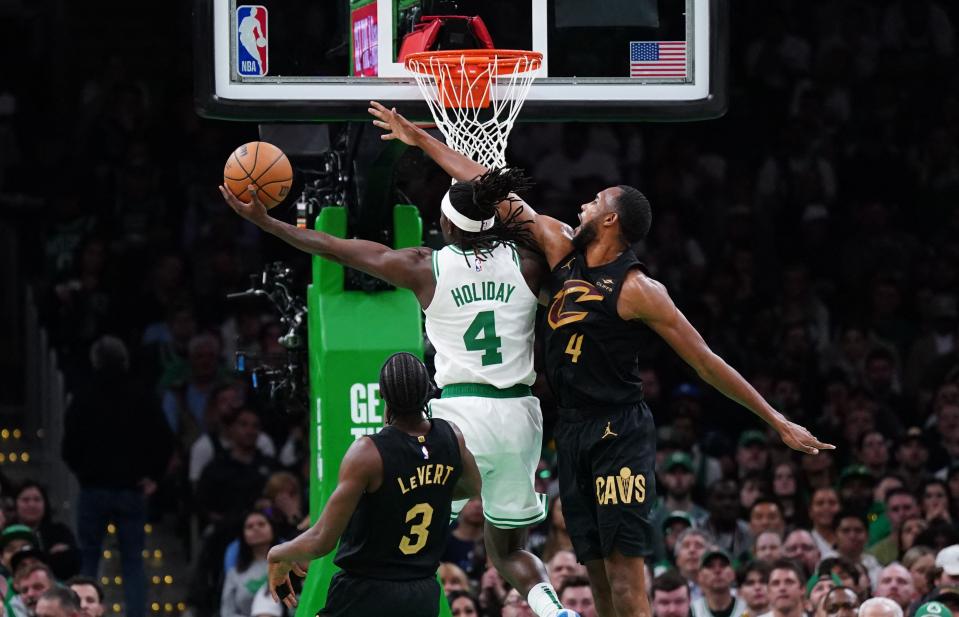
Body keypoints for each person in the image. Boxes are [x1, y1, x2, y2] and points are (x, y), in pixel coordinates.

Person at [370, 100, 832, 617]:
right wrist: (423, 142)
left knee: (625, 576)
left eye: (594, 201)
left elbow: (704, 360)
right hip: (572, 429)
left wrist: (775, 419)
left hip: (619, 428)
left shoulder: (639, 289)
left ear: (611, 219)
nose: (582, 205)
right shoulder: (559, 248)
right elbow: (487, 185)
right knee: (594, 573)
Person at [221, 134, 577, 617]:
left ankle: (343, 569)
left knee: (408, 517)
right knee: (509, 550)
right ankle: (556, 611)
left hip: (458, 418)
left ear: (447, 225)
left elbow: (335, 247)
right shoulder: (529, 264)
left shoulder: (423, 266)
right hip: (520, 415)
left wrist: (267, 222)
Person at [264, 353, 482, 617]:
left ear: (382, 395)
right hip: (422, 595)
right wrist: (427, 491)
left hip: (366, 594)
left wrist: (278, 553)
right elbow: (472, 487)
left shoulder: (368, 452)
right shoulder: (452, 436)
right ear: (428, 390)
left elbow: (322, 540)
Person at [62, 335, 173, 617]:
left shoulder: (83, 395)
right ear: (125, 360)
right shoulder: (142, 394)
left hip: (94, 488)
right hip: (132, 490)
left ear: (95, 361)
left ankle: (79, 612)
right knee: (133, 562)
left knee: (89, 558)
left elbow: (69, 446)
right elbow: (164, 440)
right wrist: (153, 477)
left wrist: (85, 473)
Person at [221, 511, 276, 617]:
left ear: (272, 529)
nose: (256, 528)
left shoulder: (289, 564)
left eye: (261, 524)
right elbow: (227, 612)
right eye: (249, 527)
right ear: (243, 535)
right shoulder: (234, 573)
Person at [692, 548, 747, 617]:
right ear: (699, 576)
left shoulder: (747, 609)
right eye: (710, 566)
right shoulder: (692, 611)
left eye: (723, 565)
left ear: (733, 573)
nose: (717, 570)